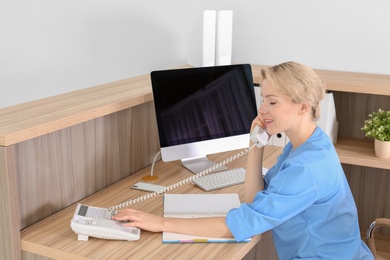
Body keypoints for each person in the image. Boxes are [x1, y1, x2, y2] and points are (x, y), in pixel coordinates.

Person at [112, 61, 374, 259]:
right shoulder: (306, 144)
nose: (262, 110)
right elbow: (254, 200)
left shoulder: (307, 168)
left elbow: (244, 223)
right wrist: (255, 145)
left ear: (303, 106)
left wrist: (161, 223)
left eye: (272, 102)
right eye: (263, 100)